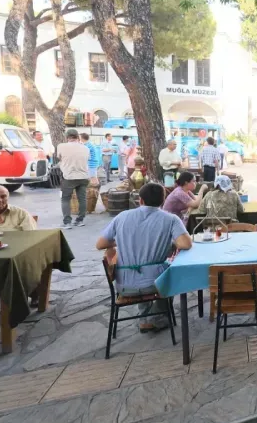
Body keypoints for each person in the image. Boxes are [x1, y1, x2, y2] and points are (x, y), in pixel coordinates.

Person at [96, 183, 192, 332]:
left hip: (125, 285)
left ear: (140, 200)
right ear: (163, 200)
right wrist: (169, 243)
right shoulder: (170, 219)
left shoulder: (122, 216)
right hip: (156, 284)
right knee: (170, 276)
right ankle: (156, 318)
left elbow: (100, 244)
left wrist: (123, 240)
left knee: (143, 266)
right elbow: (185, 244)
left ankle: (144, 318)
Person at [57, 129, 90, 228]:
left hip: (68, 177)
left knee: (65, 199)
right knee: (82, 199)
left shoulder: (61, 146)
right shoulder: (85, 148)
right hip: (83, 177)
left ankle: (67, 222)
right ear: (77, 137)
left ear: (67, 137)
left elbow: (59, 158)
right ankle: (80, 220)